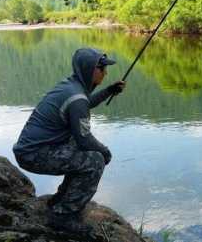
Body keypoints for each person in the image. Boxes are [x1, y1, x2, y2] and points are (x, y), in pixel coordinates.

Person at [13, 48, 126, 237]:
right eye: (102, 69)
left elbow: (85, 103)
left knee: (79, 147)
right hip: (34, 155)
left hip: (30, 150)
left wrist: (108, 91)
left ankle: (61, 199)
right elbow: (85, 138)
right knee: (94, 161)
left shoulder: (70, 86)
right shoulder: (76, 97)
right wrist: (105, 152)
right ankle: (63, 216)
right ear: (91, 70)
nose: (105, 73)